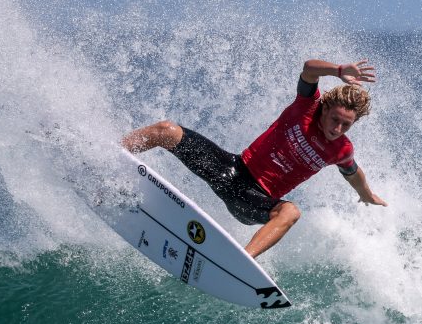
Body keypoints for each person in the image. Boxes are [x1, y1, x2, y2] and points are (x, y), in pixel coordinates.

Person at [121, 59, 387, 258]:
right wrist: (339, 71)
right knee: (166, 130)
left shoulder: (341, 149)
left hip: (253, 201)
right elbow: (308, 68)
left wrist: (367, 194)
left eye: (346, 125)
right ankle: (108, 153)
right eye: (335, 120)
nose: (337, 128)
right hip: (232, 170)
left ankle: (242, 261)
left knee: (291, 211)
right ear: (325, 108)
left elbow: (353, 171)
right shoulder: (306, 107)